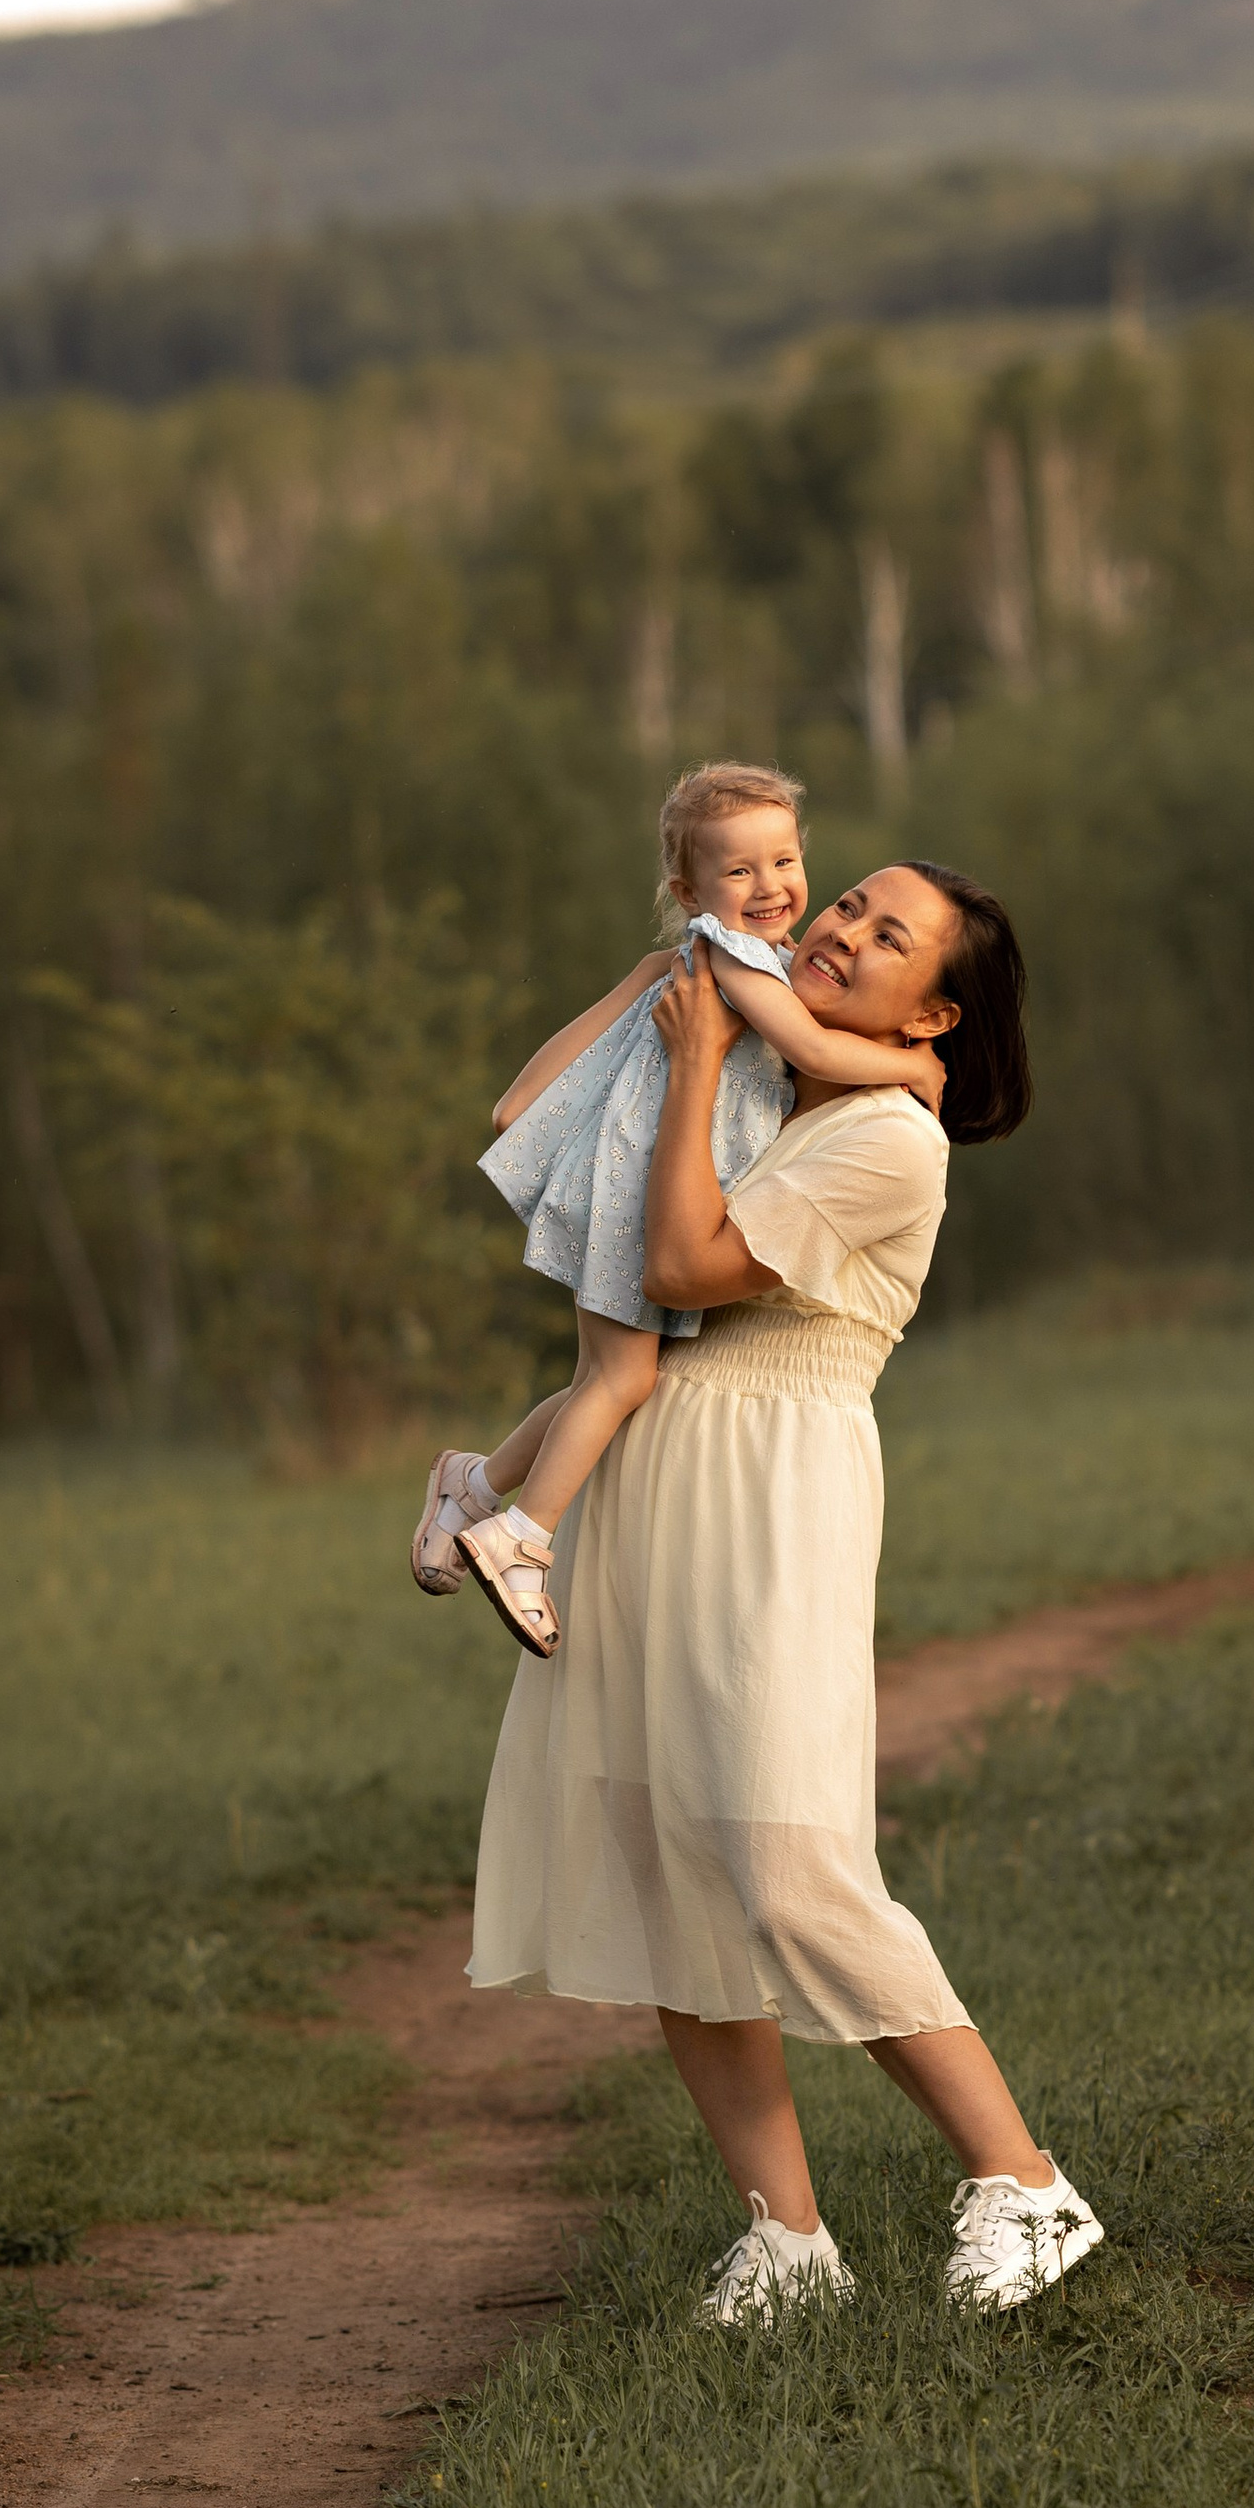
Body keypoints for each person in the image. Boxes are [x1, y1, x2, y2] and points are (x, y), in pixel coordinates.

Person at [466, 860, 1104, 2322]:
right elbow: (526, 1116)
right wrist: (660, 980)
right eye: (845, 907)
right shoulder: (773, 1081)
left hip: (775, 1487)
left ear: (933, 1011)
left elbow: (682, 1254)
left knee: (788, 1854)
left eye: (889, 937)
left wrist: (692, 1068)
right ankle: (788, 2243)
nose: (840, 932)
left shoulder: (888, 1134)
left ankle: (1025, 2182)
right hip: (649, 1479)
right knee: (668, 1856)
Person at [412, 762, 943, 1660]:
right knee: (622, 1381)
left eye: (785, 861)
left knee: (607, 1380)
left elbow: (512, 1107)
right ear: (688, 889)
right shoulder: (739, 967)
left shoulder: (698, 961)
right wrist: (916, 1069)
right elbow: (811, 1044)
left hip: (630, 1185)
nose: (771, 887)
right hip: (643, 1200)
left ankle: (470, 1485)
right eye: (739, 872)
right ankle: (520, 1539)